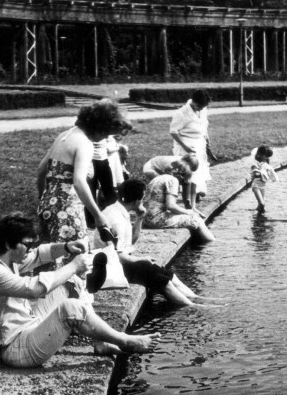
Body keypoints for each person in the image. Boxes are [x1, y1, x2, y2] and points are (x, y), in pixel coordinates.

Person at [0, 213, 161, 368]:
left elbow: (38, 255)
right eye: (27, 245)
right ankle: (126, 341)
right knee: (71, 308)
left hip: (28, 326)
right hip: (15, 349)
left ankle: (101, 342)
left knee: (71, 282)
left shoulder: (6, 260)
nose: (30, 250)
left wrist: (65, 247)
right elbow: (32, 289)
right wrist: (73, 265)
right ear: (8, 244)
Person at [91, 179, 219, 306]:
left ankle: (196, 298)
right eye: (143, 197)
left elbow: (130, 243)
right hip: (111, 266)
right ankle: (193, 306)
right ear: (137, 200)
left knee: (166, 273)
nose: (144, 200)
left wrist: (140, 218)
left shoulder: (119, 210)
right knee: (158, 277)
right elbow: (118, 256)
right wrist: (141, 258)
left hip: (119, 260)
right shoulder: (116, 219)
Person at [37, 99, 128, 255]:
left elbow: (40, 171)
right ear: (98, 126)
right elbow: (79, 182)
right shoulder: (85, 144)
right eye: (105, 133)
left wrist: (42, 198)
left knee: (52, 253)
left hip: (48, 204)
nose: (105, 138)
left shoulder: (64, 135)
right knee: (75, 254)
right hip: (68, 207)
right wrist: (98, 216)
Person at [142, 161, 215, 242]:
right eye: (184, 180)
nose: (182, 183)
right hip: (156, 220)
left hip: (145, 219)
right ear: (180, 175)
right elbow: (171, 206)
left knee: (189, 216)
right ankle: (212, 243)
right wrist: (190, 212)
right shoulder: (173, 180)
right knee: (196, 219)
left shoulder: (159, 177)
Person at [170, 89, 212, 210]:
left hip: (199, 145)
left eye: (203, 107)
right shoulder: (181, 113)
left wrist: (207, 139)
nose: (201, 109)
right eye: (199, 106)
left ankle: (193, 205)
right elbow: (173, 132)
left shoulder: (202, 110)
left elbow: (204, 126)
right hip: (186, 146)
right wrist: (185, 146)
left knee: (197, 176)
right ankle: (185, 203)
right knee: (188, 176)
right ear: (194, 102)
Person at [85, 120, 132, 227]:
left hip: (103, 160)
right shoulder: (92, 130)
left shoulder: (108, 132)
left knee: (110, 190)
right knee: (91, 191)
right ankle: (91, 220)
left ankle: (116, 216)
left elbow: (115, 139)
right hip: (92, 160)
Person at [249, 145, 280, 213]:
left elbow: (271, 172)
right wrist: (258, 172)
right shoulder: (255, 163)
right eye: (266, 156)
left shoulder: (266, 164)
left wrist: (272, 176)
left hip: (263, 186)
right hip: (256, 186)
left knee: (262, 206)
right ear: (260, 154)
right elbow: (254, 171)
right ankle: (258, 216)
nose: (267, 158)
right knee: (262, 203)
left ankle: (259, 217)